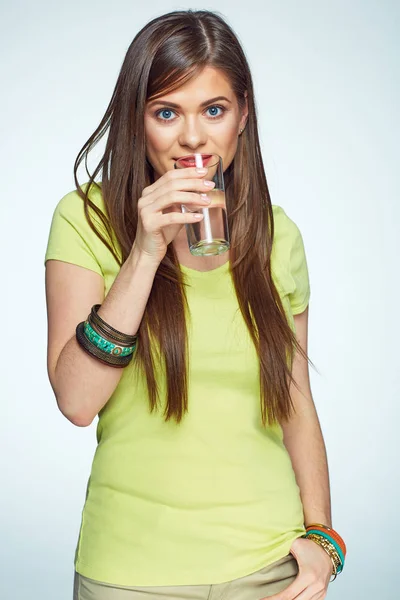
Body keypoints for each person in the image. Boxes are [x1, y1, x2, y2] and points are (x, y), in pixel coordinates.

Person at [44, 9, 346, 600]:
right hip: (128, 575)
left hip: (267, 567)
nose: (192, 138)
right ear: (139, 120)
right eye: (166, 112)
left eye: (214, 110)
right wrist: (145, 252)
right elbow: (77, 402)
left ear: (242, 115)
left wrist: (324, 539)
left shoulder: (277, 236)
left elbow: (295, 400)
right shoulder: (84, 219)